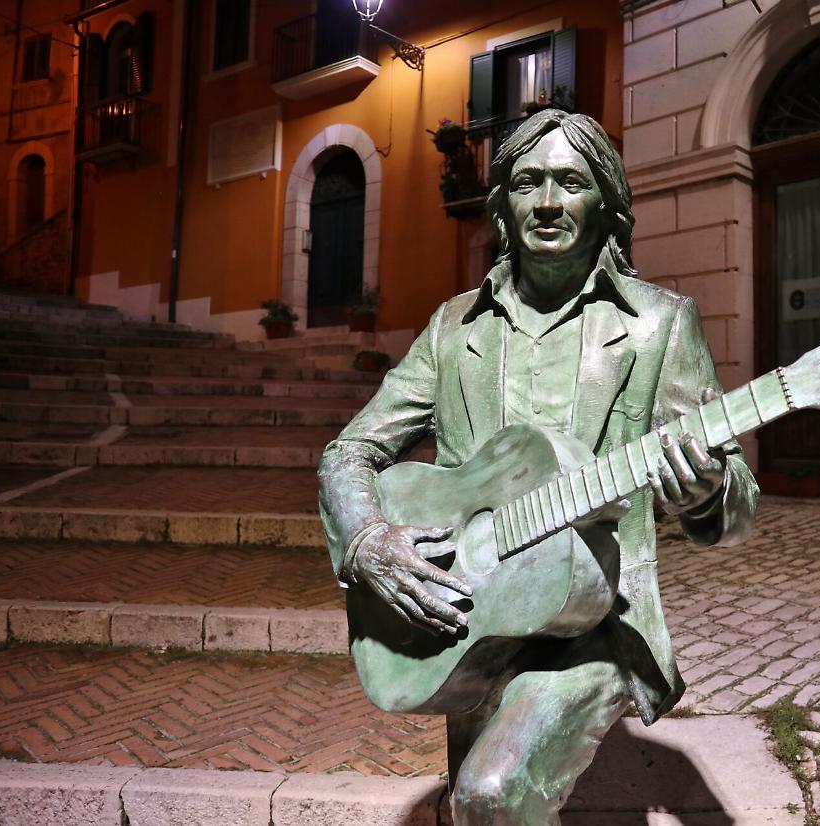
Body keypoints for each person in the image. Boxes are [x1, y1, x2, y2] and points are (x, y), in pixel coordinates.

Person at [317, 109, 759, 824]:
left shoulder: (659, 325)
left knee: (492, 796)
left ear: (604, 203)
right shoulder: (452, 327)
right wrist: (368, 540)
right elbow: (351, 451)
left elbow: (736, 506)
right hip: (475, 608)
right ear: (502, 204)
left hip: (600, 623)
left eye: (570, 182)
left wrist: (707, 489)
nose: (548, 202)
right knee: (473, 808)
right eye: (528, 181)